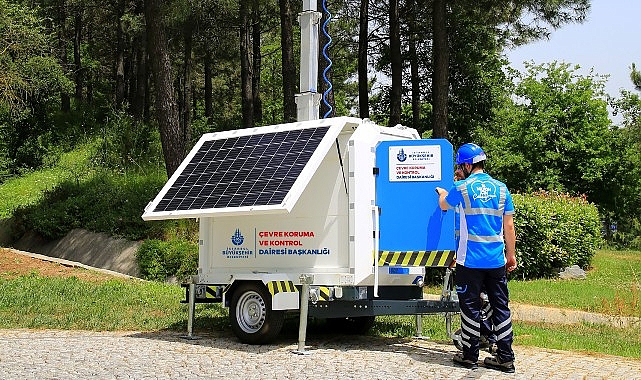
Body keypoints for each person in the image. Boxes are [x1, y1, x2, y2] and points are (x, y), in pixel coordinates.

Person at [435, 143, 517, 373]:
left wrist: (443, 192)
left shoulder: (461, 188)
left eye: (461, 164)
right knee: (501, 307)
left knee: (470, 306)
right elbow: (508, 226)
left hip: (469, 261)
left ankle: (469, 355)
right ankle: (505, 357)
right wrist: (510, 256)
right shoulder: (502, 189)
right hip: (495, 261)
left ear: (468, 165)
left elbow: (443, 205)